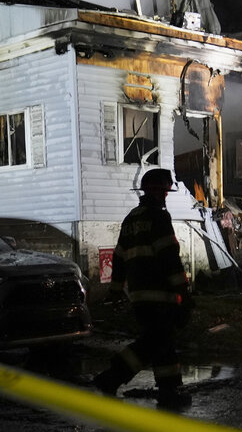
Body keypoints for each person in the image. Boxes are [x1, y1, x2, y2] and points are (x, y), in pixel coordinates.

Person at [92, 168, 193, 410]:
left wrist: (116, 290)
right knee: (154, 341)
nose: (166, 196)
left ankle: (169, 389)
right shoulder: (159, 217)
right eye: (165, 191)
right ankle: (112, 377)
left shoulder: (131, 219)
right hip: (161, 294)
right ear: (157, 191)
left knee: (161, 341)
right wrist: (184, 293)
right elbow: (169, 257)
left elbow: (118, 257)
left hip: (139, 296)